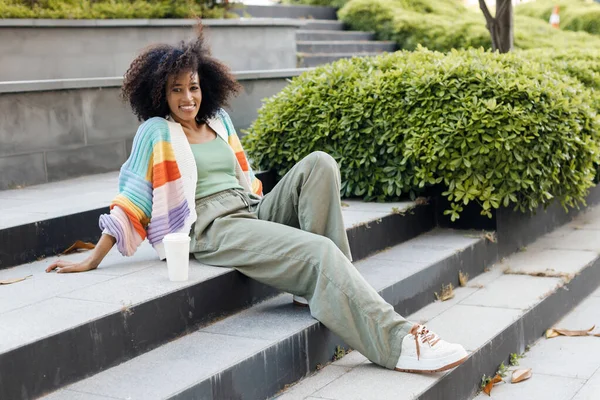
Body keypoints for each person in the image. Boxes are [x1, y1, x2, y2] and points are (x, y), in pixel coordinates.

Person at [46, 28, 468, 374]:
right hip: (212, 225)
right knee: (320, 252)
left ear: (204, 85)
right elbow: (132, 198)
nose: (188, 98)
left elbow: (245, 179)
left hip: (248, 208)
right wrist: (92, 258)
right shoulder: (156, 132)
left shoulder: (219, 121)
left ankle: (322, 291)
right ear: (160, 94)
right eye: (177, 90)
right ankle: (397, 341)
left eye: (193, 87)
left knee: (320, 163)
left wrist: (261, 207)